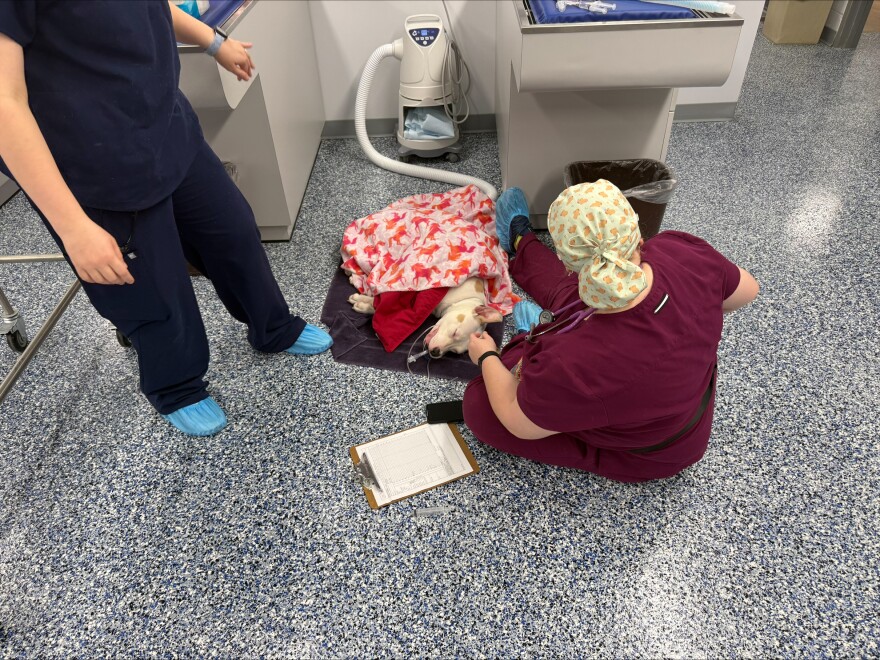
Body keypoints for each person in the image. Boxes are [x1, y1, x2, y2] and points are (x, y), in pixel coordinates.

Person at [0, 2, 332, 437]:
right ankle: (175, 387)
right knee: (153, 291)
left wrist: (213, 41)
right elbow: (4, 101)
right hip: (93, 162)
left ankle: (273, 327)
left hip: (165, 125)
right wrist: (72, 226)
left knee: (233, 232)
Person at [463, 181, 759, 482]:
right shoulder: (680, 250)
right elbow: (747, 291)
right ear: (637, 232)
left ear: (568, 265)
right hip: (683, 420)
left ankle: (527, 329)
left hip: (651, 454)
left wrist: (486, 354)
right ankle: (521, 243)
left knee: (478, 405)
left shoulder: (571, 363)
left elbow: (516, 420)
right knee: (571, 299)